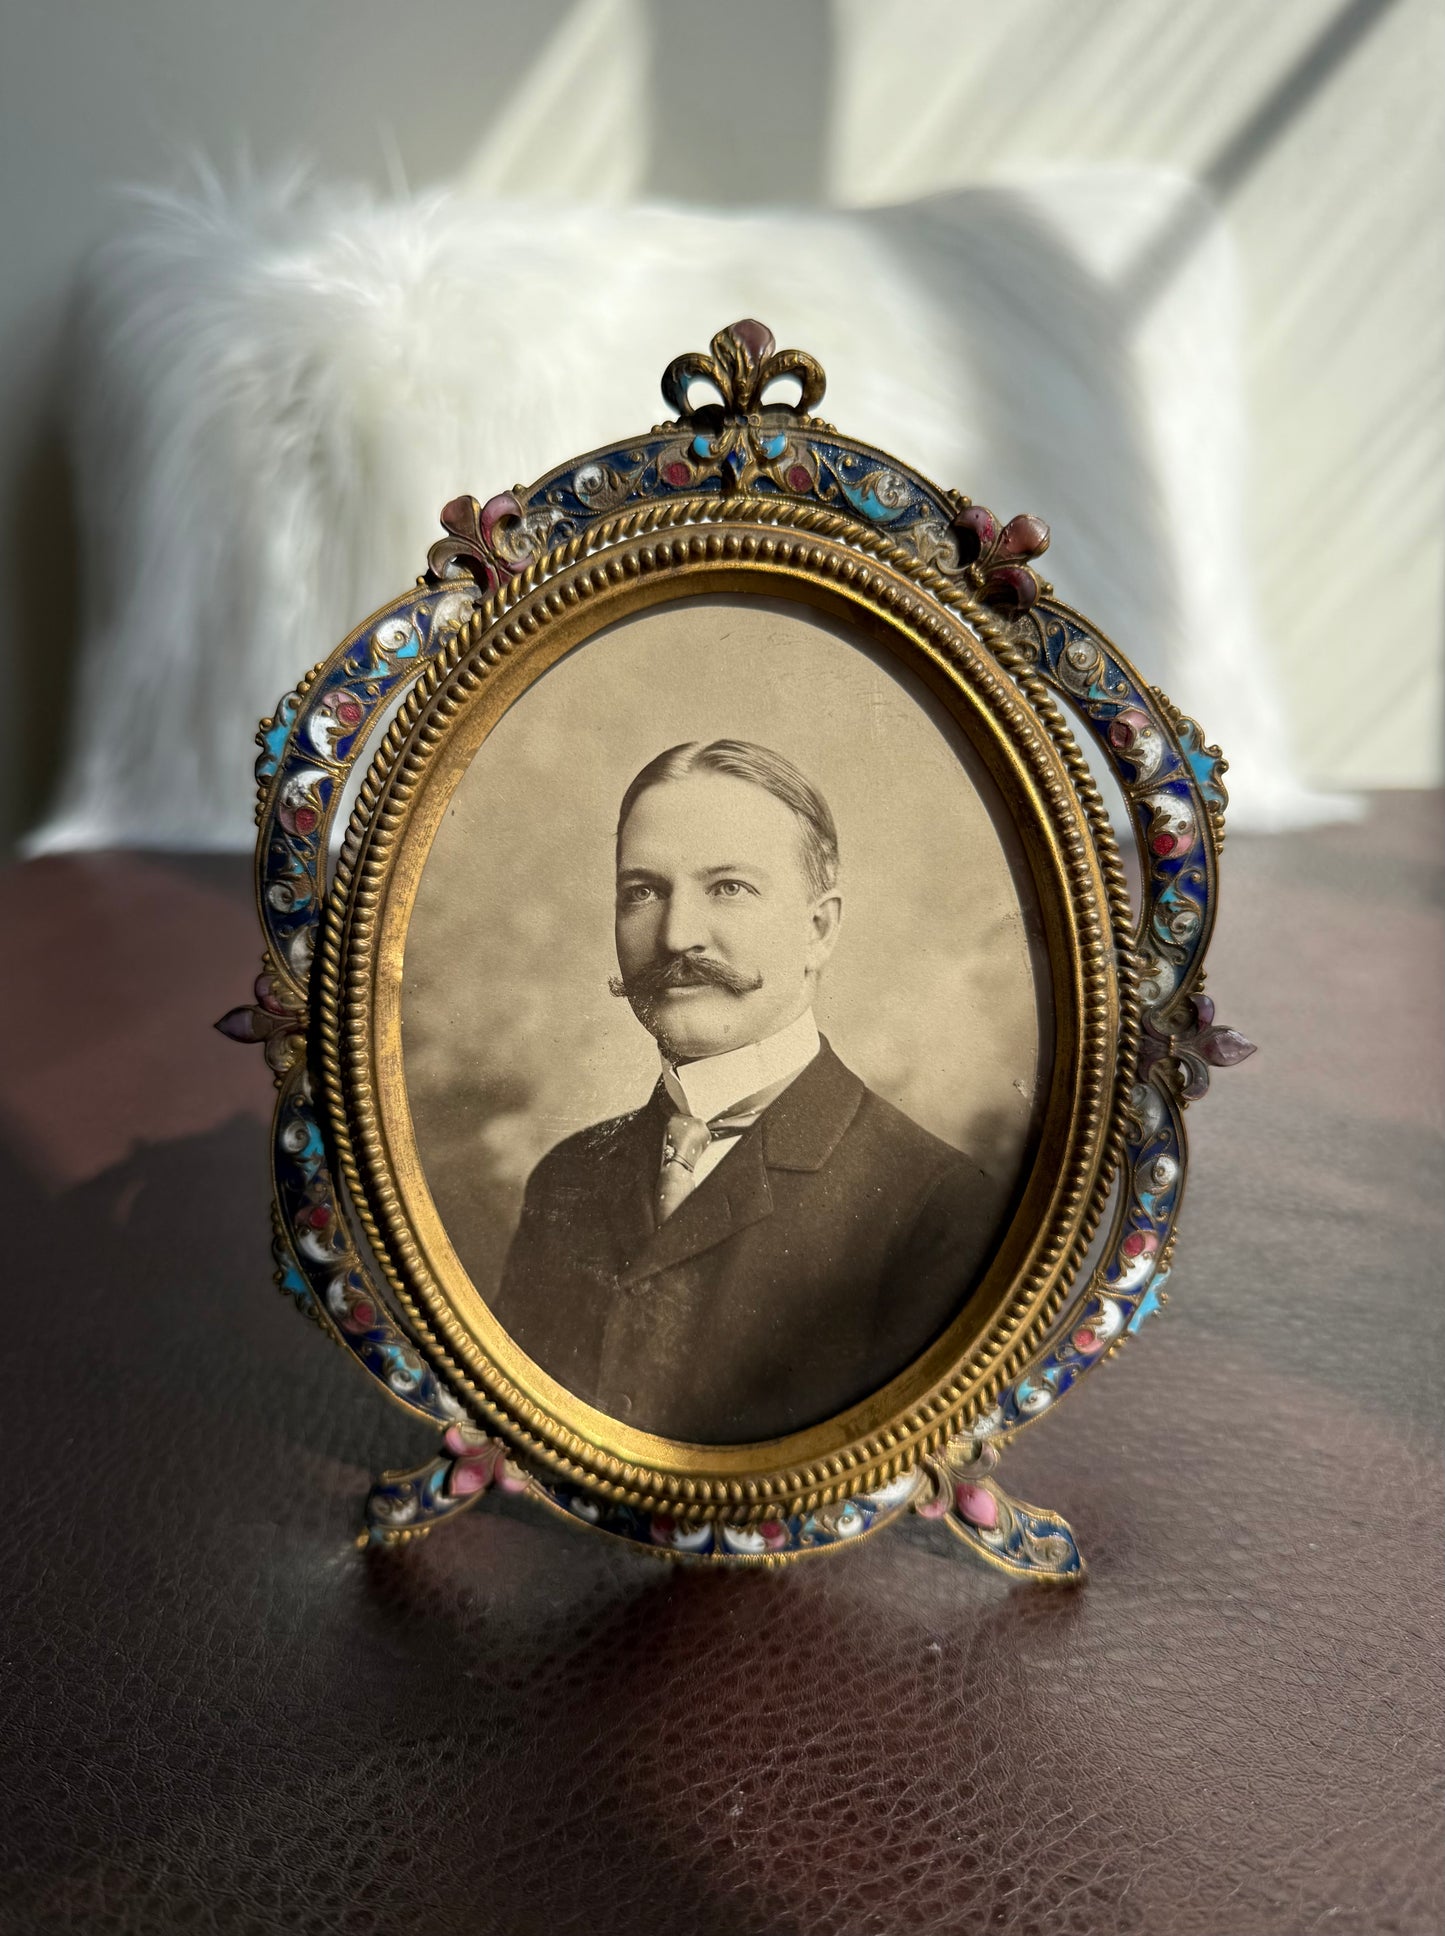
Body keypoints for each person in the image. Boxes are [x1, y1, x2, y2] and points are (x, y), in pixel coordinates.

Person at [490, 738, 996, 1444]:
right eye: (642, 891)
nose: (675, 935)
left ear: (818, 929)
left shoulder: (933, 1206)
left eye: (728, 887)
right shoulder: (564, 1180)